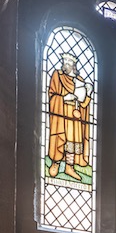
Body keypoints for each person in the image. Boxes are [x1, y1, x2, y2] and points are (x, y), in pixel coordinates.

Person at [47, 51, 91, 180]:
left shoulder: (80, 80)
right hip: (61, 112)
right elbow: (52, 94)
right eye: (64, 61)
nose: (65, 63)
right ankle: (55, 163)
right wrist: (64, 98)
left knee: (73, 140)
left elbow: (84, 104)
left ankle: (69, 167)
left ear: (74, 65)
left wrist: (88, 93)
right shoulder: (57, 75)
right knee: (60, 137)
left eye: (68, 62)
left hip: (75, 115)